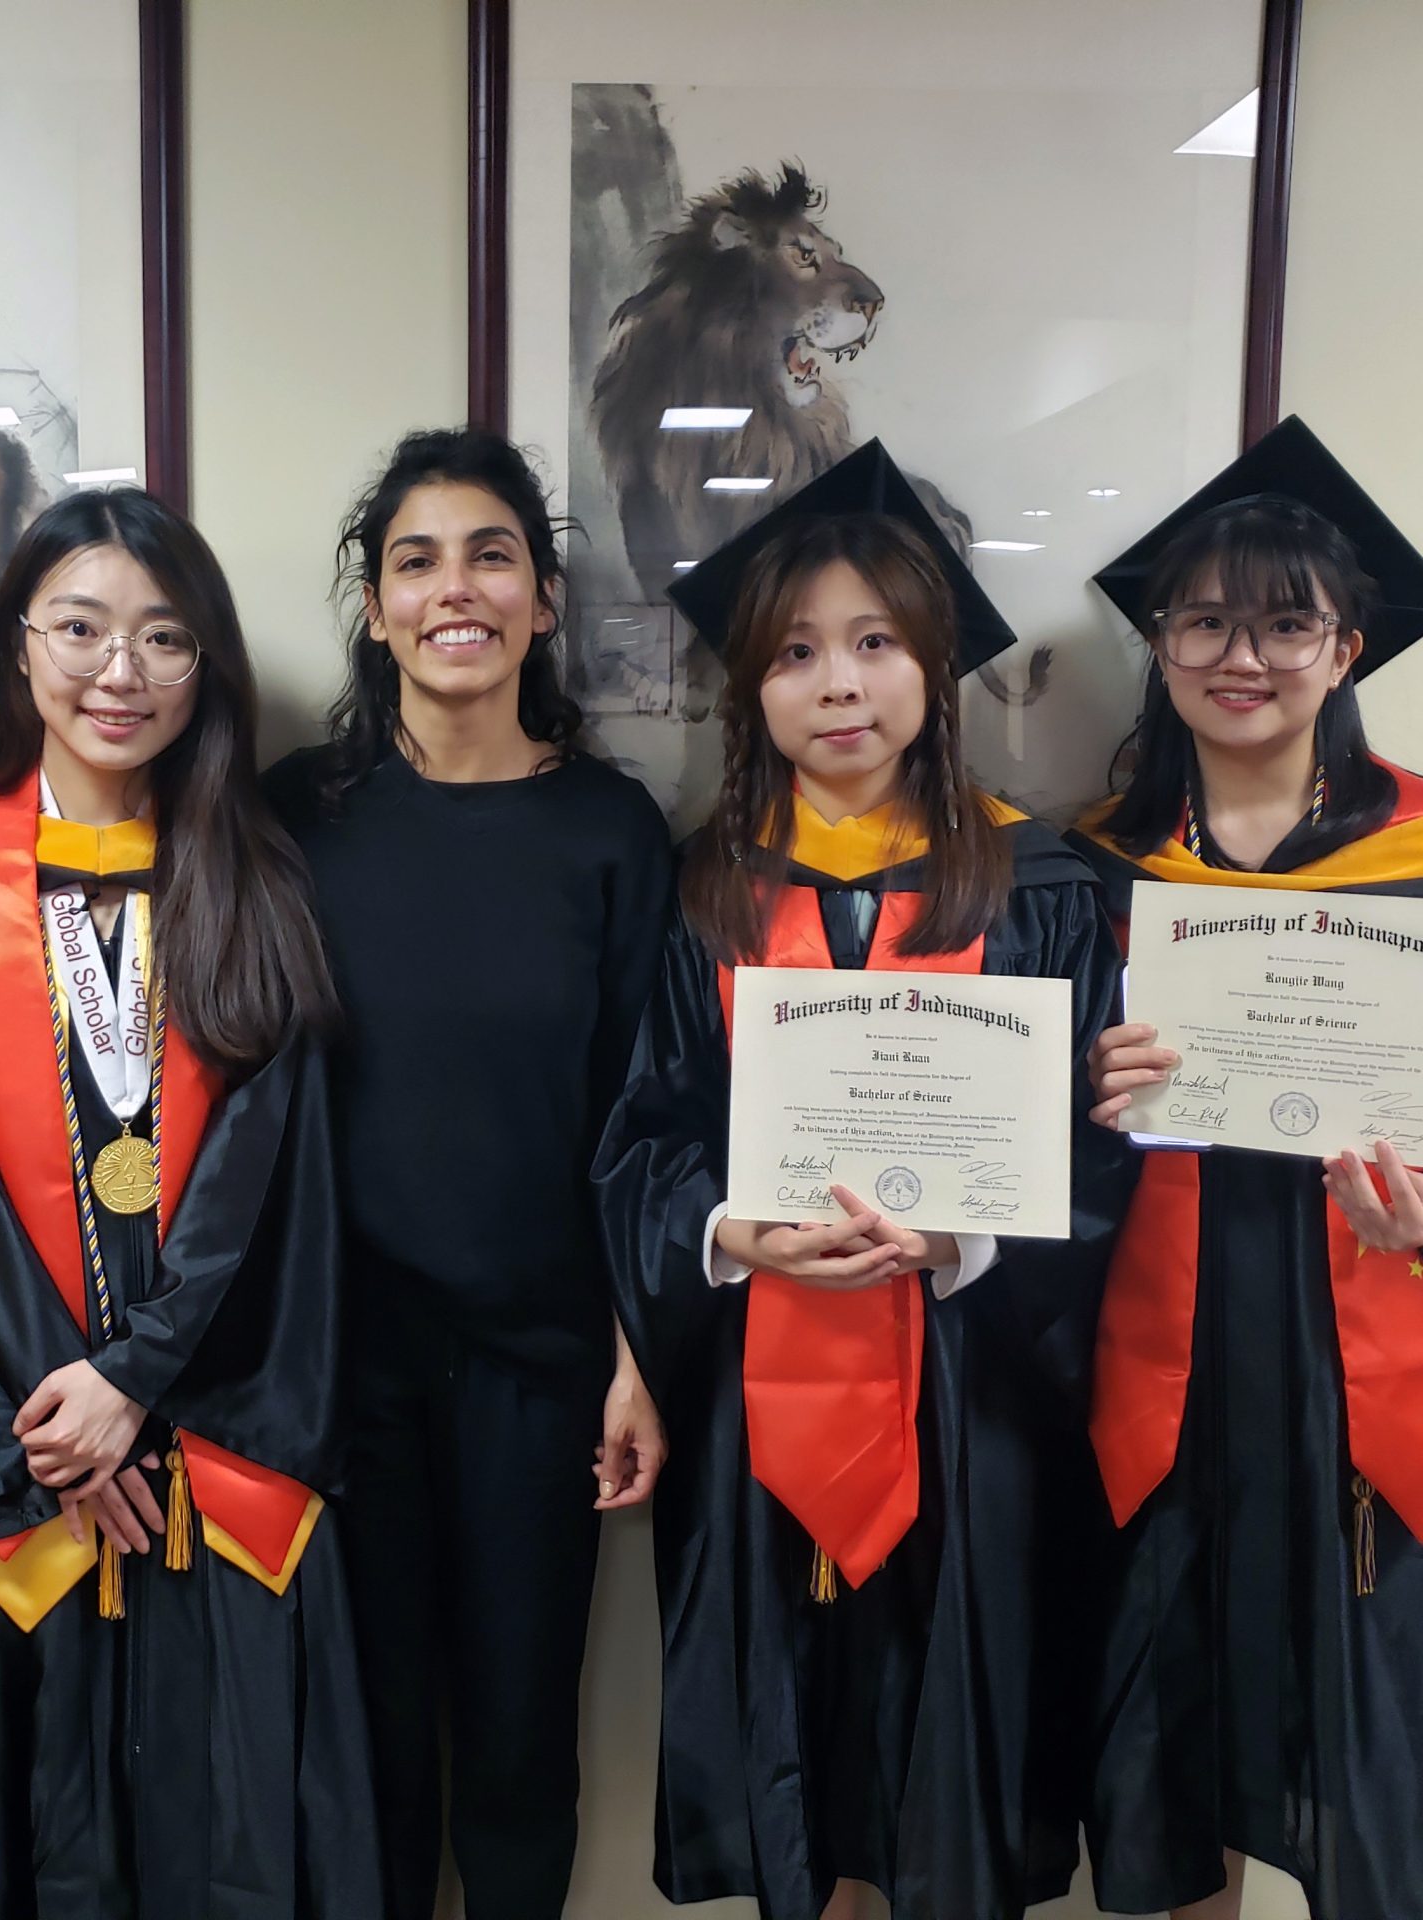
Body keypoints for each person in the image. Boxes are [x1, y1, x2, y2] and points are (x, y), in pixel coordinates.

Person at [1071, 417, 1423, 1920]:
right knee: (1174, 1746)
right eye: (1205, 620)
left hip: (1374, 1358)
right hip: (1168, 1373)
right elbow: (1017, 1141)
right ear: (1162, 646)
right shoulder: (1094, 869)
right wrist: (1085, 1098)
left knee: (1393, 1751)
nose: (1244, 656)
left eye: (1287, 622)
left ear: (1347, 646)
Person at [593, 442, 1128, 1920]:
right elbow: (648, 1129)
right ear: (749, 689)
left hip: (972, 1402)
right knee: (801, 1771)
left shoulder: (1047, 891)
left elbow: (1100, 1164)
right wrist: (720, 1227)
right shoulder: (705, 891)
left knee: (954, 1765)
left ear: (936, 666)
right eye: (798, 654)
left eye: (878, 645)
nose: (841, 686)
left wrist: (969, 1241)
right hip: (759, 1399)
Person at [0, 487, 378, 1917]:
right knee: (26, 1824)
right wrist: (65, 1415)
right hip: (23, 1454)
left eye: (165, 638)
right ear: (21, 647)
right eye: (81, 627)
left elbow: (273, 1176)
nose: (120, 671)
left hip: (213, 1435)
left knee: (228, 1825)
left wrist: (139, 1380)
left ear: (210, 671)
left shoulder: (254, 880)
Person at [263, 427, 674, 1919]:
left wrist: (637, 1355)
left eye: (491, 554)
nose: (457, 588)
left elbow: (647, 1117)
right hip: (337, 1362)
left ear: (544, 601)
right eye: (415, 560)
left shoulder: (612, 830)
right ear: (374, 608)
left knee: (517, 1745)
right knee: (360, 1740)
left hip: (541, 1364)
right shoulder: (296, 814)